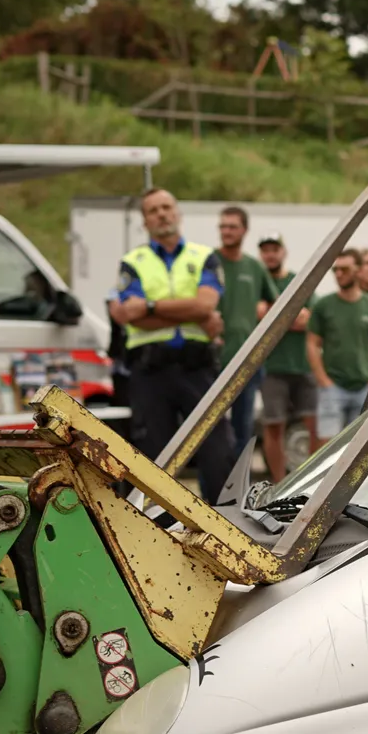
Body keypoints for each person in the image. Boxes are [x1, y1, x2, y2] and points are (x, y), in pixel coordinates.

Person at [107, 187, 236, 501]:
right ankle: (157, 528)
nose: (161, 214)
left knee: (219, 450)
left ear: (177, 213)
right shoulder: (132, 262)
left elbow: (205, 304)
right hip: (151, 373)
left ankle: (225, 521)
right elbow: (134, 318)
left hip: (198, 367)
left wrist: (151, 307)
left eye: (166, 207)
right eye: (153, 210)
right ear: (144, 221)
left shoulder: (203, 256)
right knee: (153, 458)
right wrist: (190, 313)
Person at [214, 205, 278, 462]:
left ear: (244, 230)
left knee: (243, 429)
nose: (227, 232)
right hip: (213, 359)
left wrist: (264, 309)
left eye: (232, 226)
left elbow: (276, 305)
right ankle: (209, 493)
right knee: (211, 429)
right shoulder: (209, 261)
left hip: (247, 363)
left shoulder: (254, 267)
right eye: (223, 226)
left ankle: (236, 491)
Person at [308, 249, 368, 438]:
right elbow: (312, 343)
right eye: (335, 270)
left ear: (358, 271)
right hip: (333, 386)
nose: (338, 274)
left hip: (363, 387)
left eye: (344, 269)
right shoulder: (324, 305)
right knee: (327, 447)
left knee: (358, 444)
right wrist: (323, 381)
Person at [256, 233, 315, 480]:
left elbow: (307, 319)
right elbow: (261, 316)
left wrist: (276, 316)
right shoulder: (258, 282)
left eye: (274, 249)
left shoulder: (298, 281)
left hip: (304, 365)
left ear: (283, 252)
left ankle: (311, 483)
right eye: (266, 250)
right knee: (273, 426)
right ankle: (279, 485)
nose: (270, 254)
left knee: (314, 426)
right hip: (271, 368)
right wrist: (289, 315)